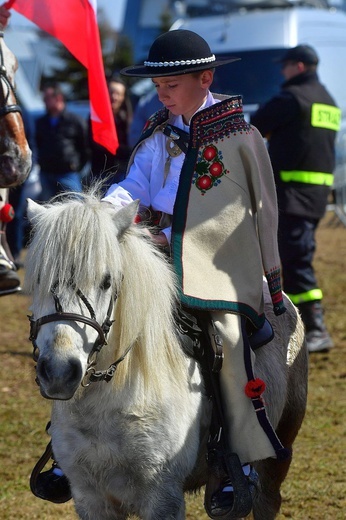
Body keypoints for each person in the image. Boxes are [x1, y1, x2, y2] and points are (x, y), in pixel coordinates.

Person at [32, 29, 290, 514]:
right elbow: (133, 187)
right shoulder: (159, 133)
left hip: (215, 265)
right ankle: (70, 446)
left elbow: (239, 214)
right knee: (95, 318)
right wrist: (102, 222)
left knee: (228, 339)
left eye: (171, 83)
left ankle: (238, 458)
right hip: (152, 255)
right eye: (159, 85)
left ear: (205, 78)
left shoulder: (240, 138)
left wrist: (170, 240)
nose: (162, 92)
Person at [251, 44, 340, 354]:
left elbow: (255, 124)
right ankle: (294, 325)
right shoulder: (328, 101)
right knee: (296, 258)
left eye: (286, 65)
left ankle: (316, 330)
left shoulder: (293, 98)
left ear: (299, 66)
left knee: (295, 262)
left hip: (290, 195)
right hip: (316, 197)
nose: (282, 71)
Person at [35, 82, 89, 201]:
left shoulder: (75, 120)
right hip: (46, 173)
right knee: (47, 208)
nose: (44, 101)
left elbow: (85, 147)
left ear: (58, 98)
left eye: (47, 98)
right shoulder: (41, 122)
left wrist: (76, 165)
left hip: (67, 173)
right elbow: (38, 144)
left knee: (76, 206)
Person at [89, 75, 133, 187]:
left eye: (118, 94)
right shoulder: (95, 118)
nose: (114, 97)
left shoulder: (129, 120)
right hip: (100, 173)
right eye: (111, 92)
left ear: (123, 97)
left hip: (123, 172)